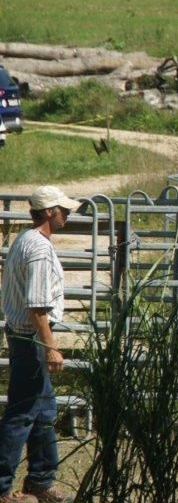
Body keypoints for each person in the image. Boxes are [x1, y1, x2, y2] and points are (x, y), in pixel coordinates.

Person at [0, 186, 78, 503]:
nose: (67, 213)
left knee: (43, 410)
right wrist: (51, 346)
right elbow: (37, 305)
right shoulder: (40, 249)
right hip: (31, 337)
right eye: (63, 208)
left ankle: (40, 480)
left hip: (22, 334)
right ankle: (4, 486)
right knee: (22, 414)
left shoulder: (24, 240)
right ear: (49, 212)